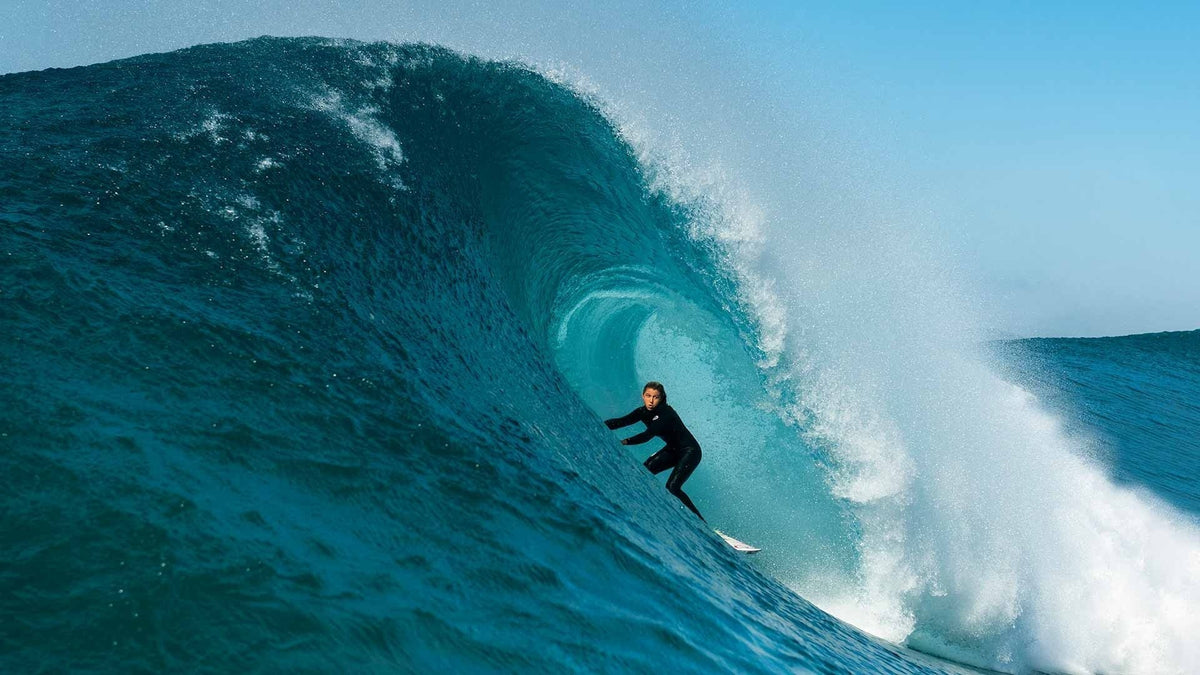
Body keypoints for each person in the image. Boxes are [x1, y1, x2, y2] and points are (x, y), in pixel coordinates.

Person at [605, 381, 705, 521]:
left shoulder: (666, 413)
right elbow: (621, 422)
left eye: (655, 397)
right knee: (645, 471)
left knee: (672, 487)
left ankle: (700, 521)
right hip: (673, 449)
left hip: (690, 451)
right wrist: (600, 424)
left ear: (662, 398)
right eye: (648, 396)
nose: (651, 400)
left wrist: (625, 441)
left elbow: (647, 435)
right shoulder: (643, 412)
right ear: (643, 396)